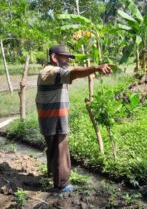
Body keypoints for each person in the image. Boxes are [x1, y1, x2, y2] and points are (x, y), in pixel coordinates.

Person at [35, 44, 112, 192]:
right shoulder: (51, 72)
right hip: (54, 118)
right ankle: (62, 184)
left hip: (49, 118)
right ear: (54, 57)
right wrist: (96, 68)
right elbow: (74, 73)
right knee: (61, 150)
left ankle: (54, 176)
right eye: (65, 57)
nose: (68, 61)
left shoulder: (51, 72)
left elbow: (72, 71)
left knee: (53, 149)